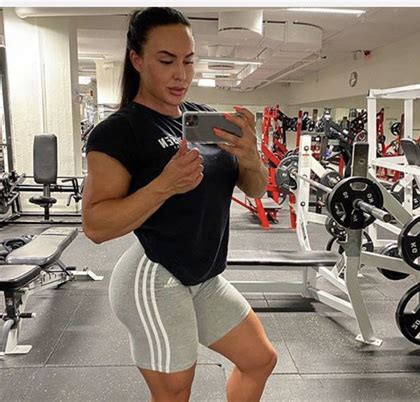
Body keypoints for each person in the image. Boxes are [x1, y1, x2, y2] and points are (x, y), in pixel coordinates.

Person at [82, 7, 277, 402]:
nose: (181, 74)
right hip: (155, 277)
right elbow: (96, 226)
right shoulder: (119, 132)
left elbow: (254, 190)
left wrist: (251, 157)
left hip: (203, 277)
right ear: (136, 59)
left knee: (259, 360)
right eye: (166, 61)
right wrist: (164, 185)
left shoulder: (204, 117)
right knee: (174, 392)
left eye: (188, 61)